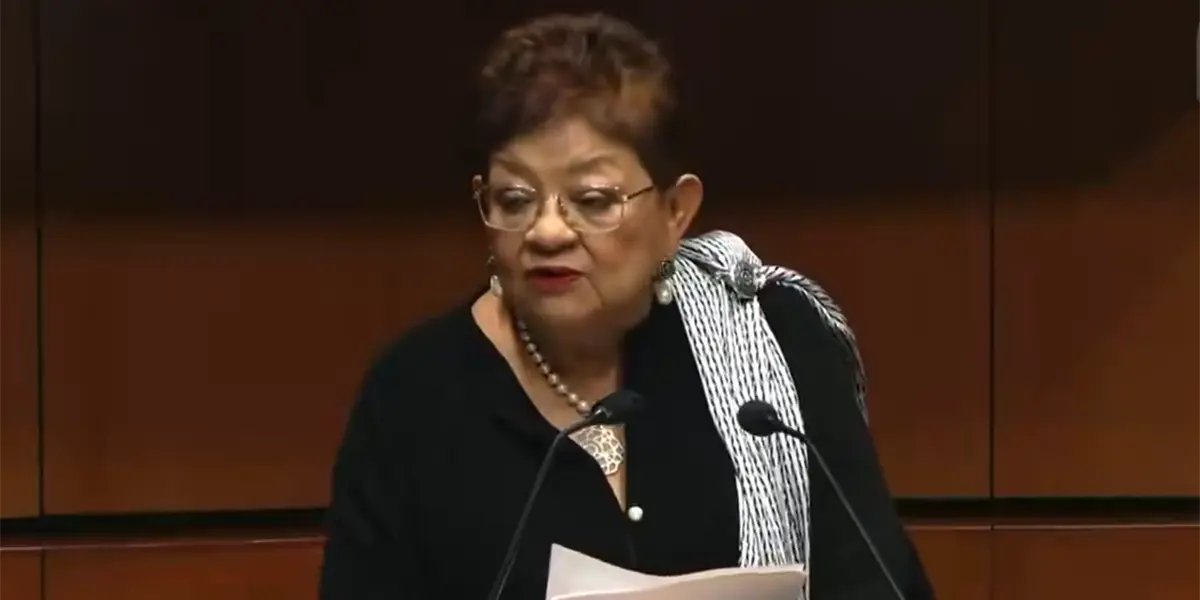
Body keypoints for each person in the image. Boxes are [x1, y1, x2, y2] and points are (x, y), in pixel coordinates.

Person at [318, 11, 936, 600]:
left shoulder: (774, 344)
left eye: (591, 200)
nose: (546, 231)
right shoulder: (413, 398)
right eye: (514, 199)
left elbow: (871, 582)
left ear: (676, 212)